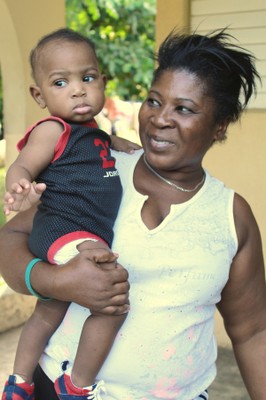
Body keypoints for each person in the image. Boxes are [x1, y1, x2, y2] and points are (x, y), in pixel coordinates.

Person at [1, 27, 266, 400]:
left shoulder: (230, 215)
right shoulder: (99, 170)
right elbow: (11, 238)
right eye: (154, 102)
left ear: (219, 127)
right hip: (59, 390)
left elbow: (254, 332)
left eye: (184, 109)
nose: (160, 119)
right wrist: (52, 281)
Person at [1, 28, 140, 400]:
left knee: (48, 312)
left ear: (102, 82)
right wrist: (19, 188)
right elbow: (22, 165)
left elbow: (94, 147)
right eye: (60, 82)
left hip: (73, 232)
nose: (78, 89)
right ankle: (76, 383)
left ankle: (18, 382)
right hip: (65, 228)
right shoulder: (51, 130)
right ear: (39, 95)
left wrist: (115, 142)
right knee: (112, 296)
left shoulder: (93, 131)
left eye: (88, 78)